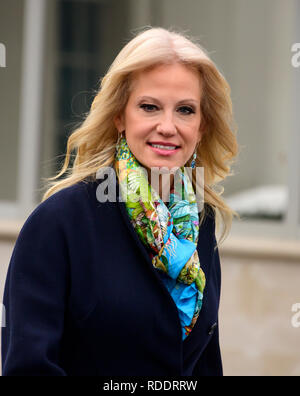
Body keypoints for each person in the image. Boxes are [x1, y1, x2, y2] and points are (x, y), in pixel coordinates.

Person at [1, 27, 238, 376]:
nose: (168, 126)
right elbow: (28, 368)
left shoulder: (200, 222)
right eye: (149, 107)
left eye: (185, 110)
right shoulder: (59, 223)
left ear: (202, 125)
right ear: (119, 117)